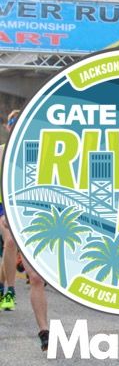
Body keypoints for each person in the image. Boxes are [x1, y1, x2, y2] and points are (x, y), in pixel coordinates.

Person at [0, 110, 50, 351]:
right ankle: (9, 290)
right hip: (4, 211)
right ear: (8, 127)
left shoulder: (38, 153)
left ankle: (44, 332)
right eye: (14, 124)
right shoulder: (1, 152)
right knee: (10, 242)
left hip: (30, 215)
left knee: (37, 277)